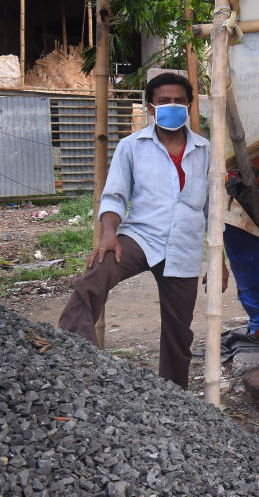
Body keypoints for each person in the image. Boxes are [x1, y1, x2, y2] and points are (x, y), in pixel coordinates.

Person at [58, 72, 228, 389]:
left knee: (179, 330)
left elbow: (214, 208)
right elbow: (114, 196)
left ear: (190, 106)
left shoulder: (207, 151)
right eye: (164, 101)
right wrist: (109, 233)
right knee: (95, 276)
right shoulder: (132, 146)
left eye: (179, 101)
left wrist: (221, 259)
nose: (172, 106)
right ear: (151, 108)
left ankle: (173, 395)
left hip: (185, 246)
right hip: (140, 237)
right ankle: (72, 352)